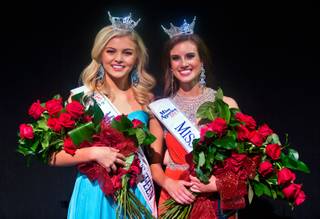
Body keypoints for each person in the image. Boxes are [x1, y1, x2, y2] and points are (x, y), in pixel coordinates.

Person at [49, 12, 159, 218]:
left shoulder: (146, 99)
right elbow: (53, 156)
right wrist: (94, 153)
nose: (118, 59)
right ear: (100, 54)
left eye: (127, 53)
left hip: (136, 192)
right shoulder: (82, 98)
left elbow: (156, 156)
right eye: (111, 51)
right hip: (94, 192)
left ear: (136, 58)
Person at [149, 17, 243, 219]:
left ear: (202, 61)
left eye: (190, 56)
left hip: (214, 198)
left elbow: (243, 162)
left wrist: (217, 184)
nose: (183, 64)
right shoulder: (160, 109)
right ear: (170, 65)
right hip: (176, 195)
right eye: (176, 58)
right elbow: (154, 165)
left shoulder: (226, 104)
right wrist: (168, 183)